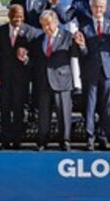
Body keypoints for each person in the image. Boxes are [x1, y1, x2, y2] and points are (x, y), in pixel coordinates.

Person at [76, 0, 110, 151]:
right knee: (90, 106)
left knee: (106, 107)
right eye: (95, 7)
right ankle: (89, 138)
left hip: (107, 70)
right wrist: (82, 46)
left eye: (101, 7)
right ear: (91, 8)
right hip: (90, 71)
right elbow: (82, 53)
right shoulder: (84, 27)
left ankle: (103, 137)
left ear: (105, 9)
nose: (98, 10)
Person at [31, 9, 85, 151]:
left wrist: (81, 45)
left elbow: (80, 55)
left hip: (62, 81)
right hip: (43, 82)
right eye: (43, 25)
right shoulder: (38, 39)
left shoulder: (68, 37)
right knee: (43, 115)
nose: (46, 28)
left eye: (48, 24)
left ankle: (65, 141)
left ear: (55, 22)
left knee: (64, 114)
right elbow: (35, 61)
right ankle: (42, 141)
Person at [0, 5, 39, 149]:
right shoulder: (1, 31)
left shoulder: (30, 32)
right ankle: (5, 141)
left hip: (21, 79)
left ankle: (17, 141)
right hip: (4, 78)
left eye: (20, 16)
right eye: (14, 16)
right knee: (5, 110)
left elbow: (35, 57)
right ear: (9, 16)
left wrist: (25, 59)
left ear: (23, 16)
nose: (17, 19)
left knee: (19, 111)